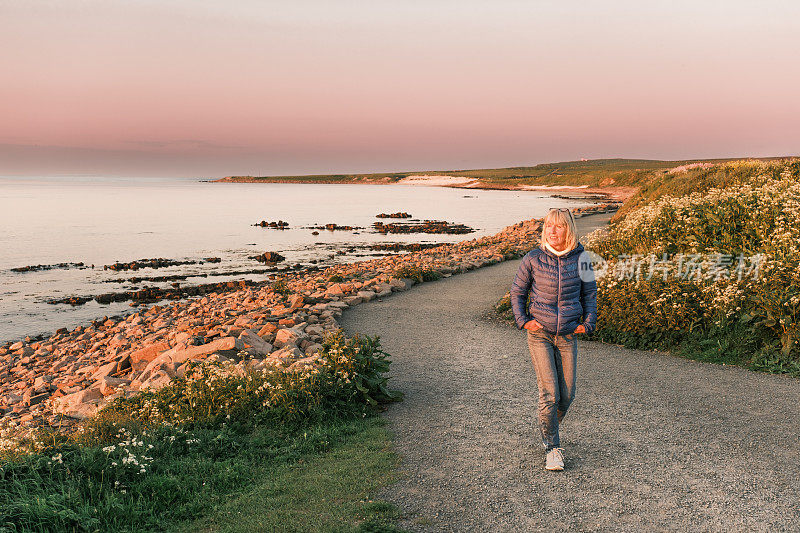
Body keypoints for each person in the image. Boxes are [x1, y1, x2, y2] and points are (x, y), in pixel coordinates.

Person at [510, 207, 597, 471]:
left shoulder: (582, 259)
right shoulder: (533, 258)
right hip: (540, 334)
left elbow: (590, 295)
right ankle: (552, 448)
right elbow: (517, 293)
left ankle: (547, 428)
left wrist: (588, 324)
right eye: (548, 226)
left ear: (568, 229)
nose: (552, 231)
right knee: (549, 394)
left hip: (568, 334)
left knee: (567, 396)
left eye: (558, 226)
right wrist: (524, 321)